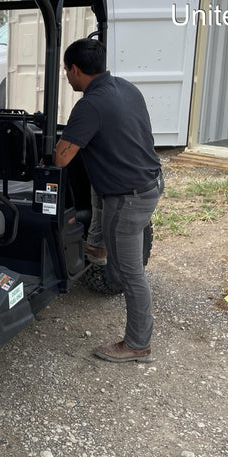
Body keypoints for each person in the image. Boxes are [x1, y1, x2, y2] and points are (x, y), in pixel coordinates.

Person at [53, 38, 163, 363]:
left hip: (128, 198)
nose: (68, 78)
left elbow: (61, 159)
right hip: (149, 181)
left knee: (130, 274)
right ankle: (98, 245)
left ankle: (137, 344)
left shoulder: (89, 105)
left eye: (66, 72)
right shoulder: (126, 88)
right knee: (96, 186)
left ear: (75, 70)